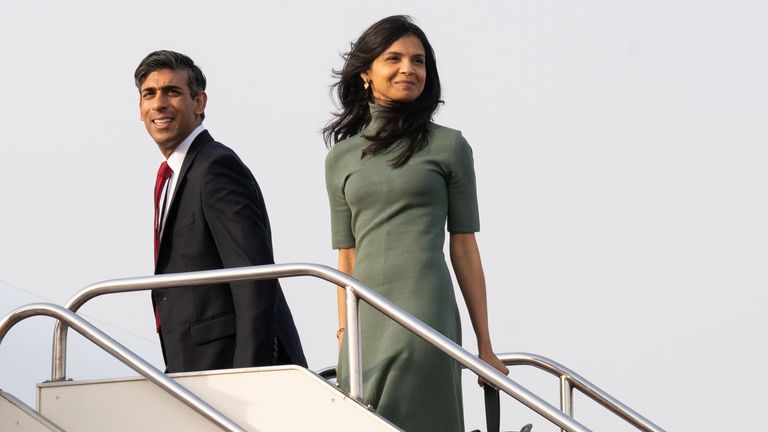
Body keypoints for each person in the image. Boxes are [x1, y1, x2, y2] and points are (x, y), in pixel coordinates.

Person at [324, 15, 509, 432]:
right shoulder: (340, 158)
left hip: (426, 307)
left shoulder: (450, 146)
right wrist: (342, 336)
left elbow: (464, 247)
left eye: (419, 61)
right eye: (394, 58)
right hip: (364, 318)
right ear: (366, 73)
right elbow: (347, 256)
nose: (409, 69)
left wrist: (485, 345)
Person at [135, 50, 306, 373]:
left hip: (234, 369)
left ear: (199, 103)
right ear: (140, 108)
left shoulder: (215, 167)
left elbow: (254, 278)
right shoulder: (175, 175)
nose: (158, 104)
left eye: (172, 92)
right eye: (149, 94)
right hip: (195, 368)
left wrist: (248, 373)